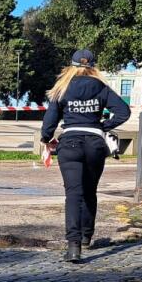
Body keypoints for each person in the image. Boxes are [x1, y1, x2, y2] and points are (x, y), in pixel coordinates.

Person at [39, 50, 130, 264]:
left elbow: (49, 123)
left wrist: (46, 139)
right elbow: (123, 112)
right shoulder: (100, 87)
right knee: (90, 191)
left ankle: (73, 247)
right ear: (93, 66)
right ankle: (87, 235)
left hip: (69, 143)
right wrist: (101, 126)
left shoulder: (62, 88)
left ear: (70, 66)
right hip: (95, 143)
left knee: (73, 194)